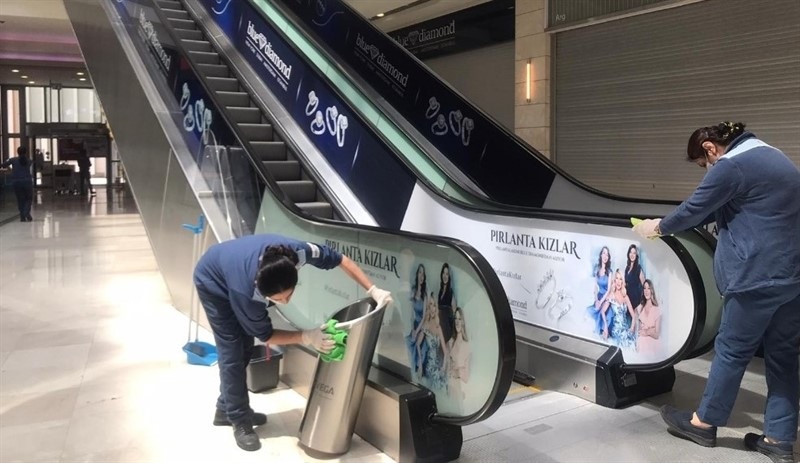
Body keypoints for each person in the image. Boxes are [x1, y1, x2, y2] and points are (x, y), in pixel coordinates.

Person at [634, 122, 800, 463]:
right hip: (791, 276)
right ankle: (779, 439)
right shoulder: (775, 157)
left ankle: (703, 423)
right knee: (784, 357)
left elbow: (695, 207)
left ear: (710, 148)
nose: (706, 168)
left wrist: (658, 227)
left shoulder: (731, 166)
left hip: (754, 277)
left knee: (731, 351)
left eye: (703, 163)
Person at [193, 234, 393, 452]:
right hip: (212, 281)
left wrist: (373, 289)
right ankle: (239, 420)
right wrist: (308, 336)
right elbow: (267, 336)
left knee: (245, 346)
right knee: (233, 350)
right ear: (261, 291)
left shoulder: (300, 252)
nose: (285, 302)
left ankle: (226, 408)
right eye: (277, 299)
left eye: (288, 295)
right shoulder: (248, 293)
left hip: (232, 264)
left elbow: (341, 260)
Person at [599, 269, 637, 348]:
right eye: (617, 278)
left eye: (620, 279)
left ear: (623, 281)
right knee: (624, 343)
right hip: (616, 331)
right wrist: (605, 326)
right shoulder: (611, 296)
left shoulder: (625, 297)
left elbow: (633, 316)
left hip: (626, 330)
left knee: (632, 344)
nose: (618, 282)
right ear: (614, 280)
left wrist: (632, 328)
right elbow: (602, 311)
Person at [0, 146, 34, 221]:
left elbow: (3, 165)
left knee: (20, 199)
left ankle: (22, 215)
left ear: (17, 152)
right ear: (26, 152)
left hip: (16, 182)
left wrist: (10, 168)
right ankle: (26, 212)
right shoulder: (29, 161)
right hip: (27, 181)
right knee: (28, 198)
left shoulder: (13, 160)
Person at [407, 264, 428, 374]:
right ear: (417, 275)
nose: (421, 276)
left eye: (423, 274)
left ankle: (419, 366)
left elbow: (424, 317)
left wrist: (418, 330)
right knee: (409, 340)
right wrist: (413, 329)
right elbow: (411, 313)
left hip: (422, 325)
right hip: (415, 324)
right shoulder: (413, 291)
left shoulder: (425, 294)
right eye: (420, 273)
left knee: (419, 344)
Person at [586, 246, 612, 336]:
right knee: (591, 310)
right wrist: (597, 300)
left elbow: (609, 290)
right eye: (604, 253)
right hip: (599, 296)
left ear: (608, 258)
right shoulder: (597, 269)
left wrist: (601, 302)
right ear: (601, 255)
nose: (605, 256)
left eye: (607, 255)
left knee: (606, 315)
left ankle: (605, 330)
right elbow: (595, 287)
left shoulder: (609, 272)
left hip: (607, 297)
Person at [447, 307, 470, 401]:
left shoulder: (467, 346)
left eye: (460, 319)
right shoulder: (450, 342)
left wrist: (456, 372)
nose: (457, 322)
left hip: (460, 391)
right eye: (455, 319)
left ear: (463, 322)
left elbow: (467, 376)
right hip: (449, 388)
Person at [634, 279, 661, 356]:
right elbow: (639, 331)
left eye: (648, 288)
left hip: (653, 345)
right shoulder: (640, 308)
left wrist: (647, 332)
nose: (646, 291)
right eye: (644, 288)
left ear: (652, 291)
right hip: (642, 343)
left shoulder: (657, 309)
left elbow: (657, 334)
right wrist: (651, 330)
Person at [624, 244, 645, 326]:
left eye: (634, 253)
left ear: (636, 255)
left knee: (635, 325)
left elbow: (645, 286)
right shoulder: (627, 268)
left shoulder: (638, 268)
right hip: (628, 301)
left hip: (636, 301)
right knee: (629, 324)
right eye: (631, 252)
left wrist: (642, 303)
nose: (632, 255)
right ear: (628, 254)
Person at [437, 263, 457, 343]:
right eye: (444, 273)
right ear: (441, 274)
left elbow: (454, 314)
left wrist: (453, 336)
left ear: (449, 277)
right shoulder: (440, 291)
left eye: (447, 274)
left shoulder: (451, 293)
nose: (445, 276)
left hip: (447, 329)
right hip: (440, 328)